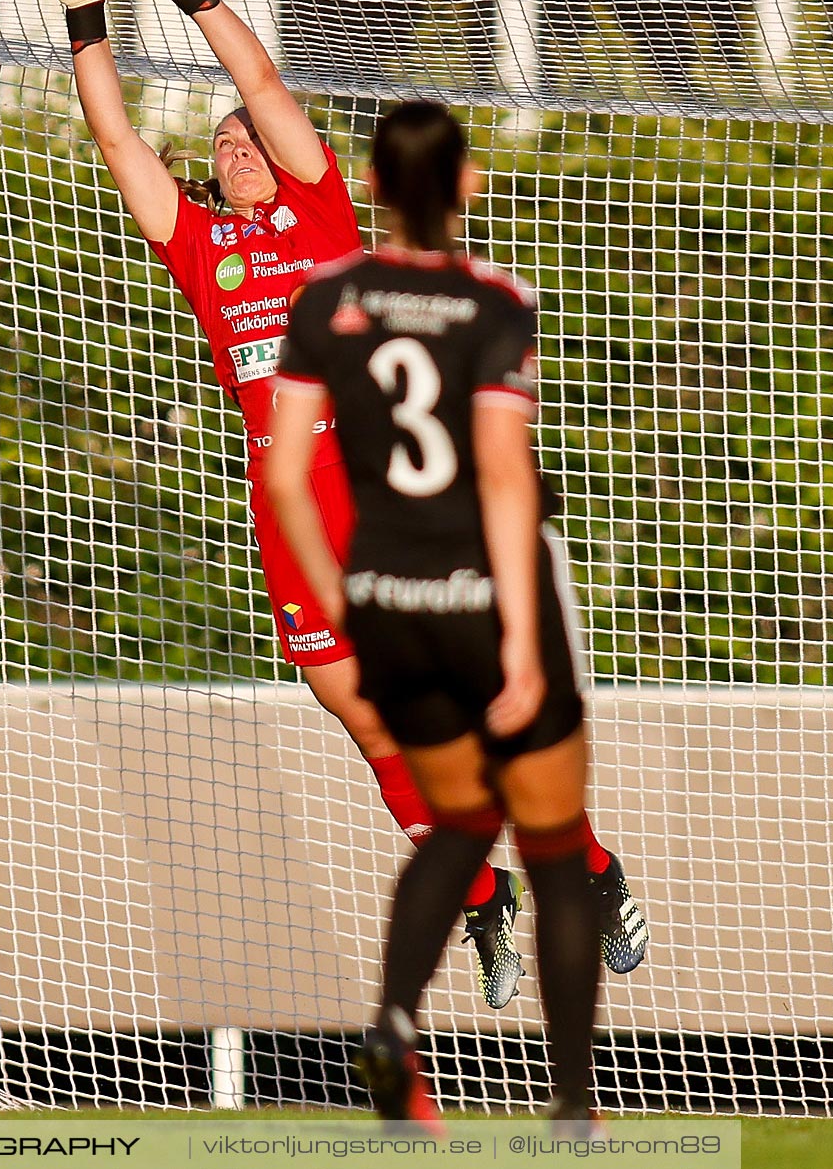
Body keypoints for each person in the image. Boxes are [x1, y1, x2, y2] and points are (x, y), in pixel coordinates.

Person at [37, 0, 644, 1013]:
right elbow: (122, 140)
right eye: (218, 142)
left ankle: (592, 876)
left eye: (247, 138)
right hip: (292, 517)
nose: (233, 145)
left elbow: (261, 83)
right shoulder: (200, 247)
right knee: (365, 719)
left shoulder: (320, 220)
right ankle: (481, 898)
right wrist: (82, 8)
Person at [264, 100, 607, 1127]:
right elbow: (505, 481)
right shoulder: (494, 302)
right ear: (467, 186)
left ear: (370, 186)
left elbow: (285, 479)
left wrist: (348, 607)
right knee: (548, 846)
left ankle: (393, 1026)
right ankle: (575, 1108)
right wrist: (519, 644)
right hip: (480, 596)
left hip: (385, 600)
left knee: (456, 823)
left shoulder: (324, 297)